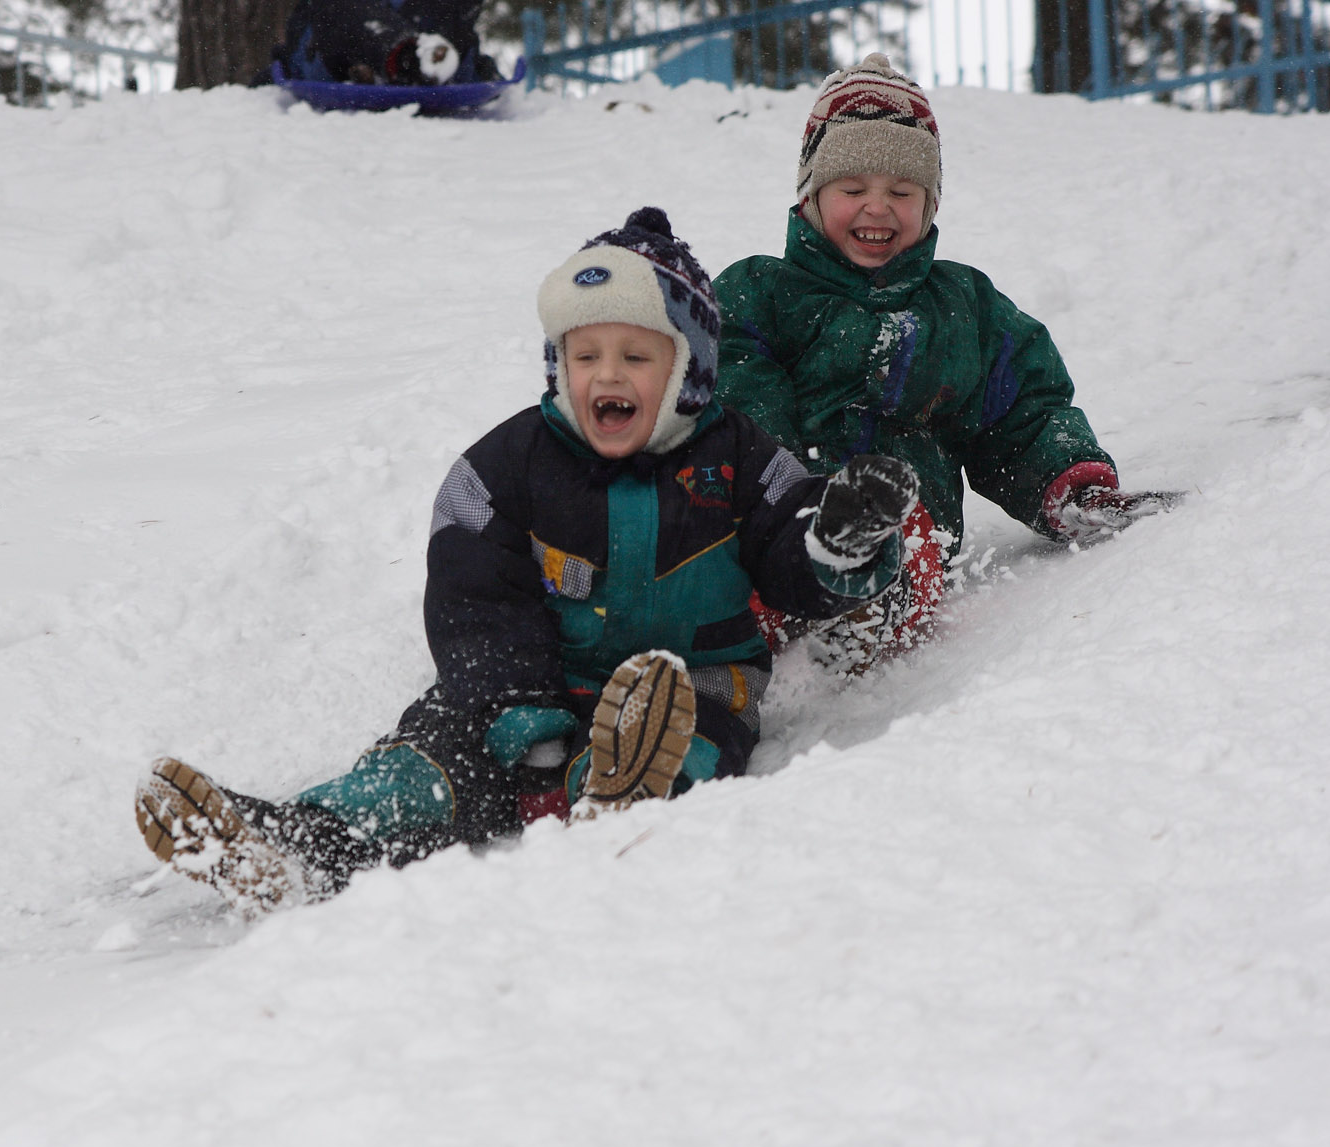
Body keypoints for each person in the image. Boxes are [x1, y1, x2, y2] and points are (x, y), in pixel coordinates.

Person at [135, 208, 919, 916]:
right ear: (558, 364)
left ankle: (617, 794)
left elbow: (792, 553)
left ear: (691, 370)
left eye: (636, 356)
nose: (606, 375)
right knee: (427, 758)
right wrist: (517, 711)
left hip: (690, 686)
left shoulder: (742, 459)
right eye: (585, 355)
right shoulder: (509, 466)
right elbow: (474, 595)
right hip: (523, 697)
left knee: (684, 741)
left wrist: (836, 543)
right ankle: (304, 841)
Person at [712, 54, 1180, 673]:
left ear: (930, 205)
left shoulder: (963, 307)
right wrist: (789, 488)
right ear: (810, 197)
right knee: (723, 567)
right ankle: (712, 653)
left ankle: (866, 612)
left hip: (904, 516)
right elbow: (735, 388)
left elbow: (1021, 411)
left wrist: (1074, 486)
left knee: (897, 541)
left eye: (901, 193)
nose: (877, 209)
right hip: (781, 511)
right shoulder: (758, 292)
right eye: (853, 189)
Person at [266, 0, 499, 86]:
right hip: (335, 61)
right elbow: (303, 43)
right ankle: (408, 59)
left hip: (440, 61)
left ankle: (425, 61)